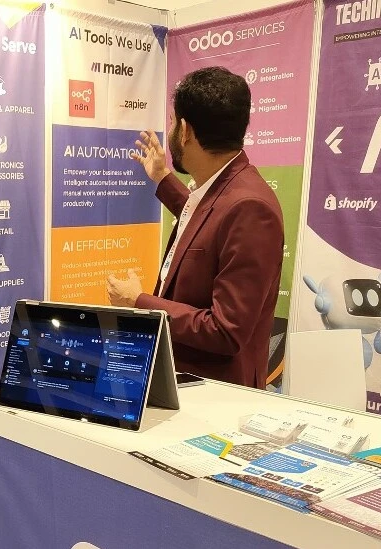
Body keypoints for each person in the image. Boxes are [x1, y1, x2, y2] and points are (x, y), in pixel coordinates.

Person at [107, 66, 284, 389]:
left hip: (216, 395)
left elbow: (225, 330)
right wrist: (162, 178)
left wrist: (139, 301)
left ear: (185, 131)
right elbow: (208, 224)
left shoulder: (250, 207)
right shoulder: (229, 190)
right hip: (192, 384)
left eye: (173, 121)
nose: (171, 130)